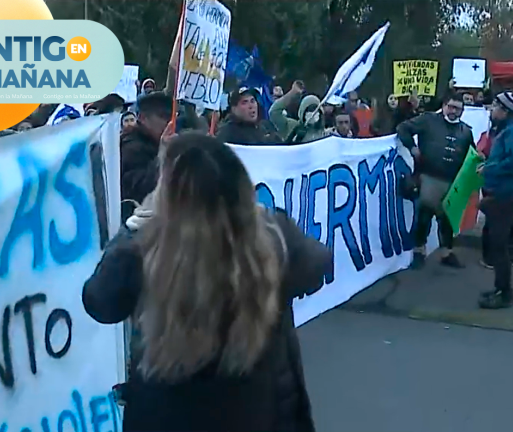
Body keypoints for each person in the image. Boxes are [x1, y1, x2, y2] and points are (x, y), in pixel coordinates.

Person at [82, 132, 331, 432]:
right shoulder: (271, 237)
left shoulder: (143, 247)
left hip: (166, 415)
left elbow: (100, 302)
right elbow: (318, 266)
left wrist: (129, 231)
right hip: (260, 411)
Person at [397, 92, 475, 269]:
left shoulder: (466, 131)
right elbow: (403, 128)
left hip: (452, 182)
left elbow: (472, 155)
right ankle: (419, 252)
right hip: (428, 176)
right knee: (424, 216)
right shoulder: (428, 120)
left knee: (447, 220)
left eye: (459, 109)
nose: (454, 111)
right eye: (452, 107)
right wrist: (412, 148)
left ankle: (447, 253)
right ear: (445, 105)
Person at [477, 91, 513, 309]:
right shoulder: (508, 130)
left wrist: (490, 167)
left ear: (505, 110)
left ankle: (505, 293)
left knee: (499, 246)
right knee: (498, 245)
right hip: (501, 194)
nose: (492, 110)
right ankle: (501, 288)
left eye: (495, 106)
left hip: (506, 196)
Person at [120, 91, 172, 222]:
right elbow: (141, 189)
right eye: (163, 116)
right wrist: (163, 154)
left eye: (173, 117)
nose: (169, 122)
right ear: (143, 118)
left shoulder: (159, 142)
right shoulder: (131, 147)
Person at [216, 87, 282, 144]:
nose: (251, 106)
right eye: (244, 102)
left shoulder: (266, 126)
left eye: (252, 101)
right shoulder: (228, 133)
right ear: (234, 109)